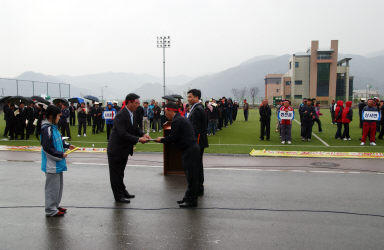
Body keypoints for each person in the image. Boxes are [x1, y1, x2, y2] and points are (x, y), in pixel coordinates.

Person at [155, 102, 201, 208]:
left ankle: (192, 201)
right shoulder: (180, 119)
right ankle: (187, 198)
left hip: (190, 150)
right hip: (190, 149)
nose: (165, 114)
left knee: (191, 178)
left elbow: (173, 138)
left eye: (166, 112)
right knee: (190, 177)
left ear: (171, 111)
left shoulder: (177, 121)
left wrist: (161, 140)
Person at [107, 93, 150, 203]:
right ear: (129, 102)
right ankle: (118, 196)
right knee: (115, 174)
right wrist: (138, 139)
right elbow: (122, 134)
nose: (138, 105)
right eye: (136, 103)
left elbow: (135, 128)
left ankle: (123, 191)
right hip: (116, 149)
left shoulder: (133, 113)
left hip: (124, 149)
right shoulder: (121, 115)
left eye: (138, 103)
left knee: (121, 172)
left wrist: (143, 134)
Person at [40, 105, 75, 217]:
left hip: (58, 163)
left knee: (58, 187)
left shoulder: (54, 128)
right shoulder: (46, 129)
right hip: (51, 165)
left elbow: (59, 141)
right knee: (52, 188)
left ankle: (55, 205)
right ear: (51, 116)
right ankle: (50, 209)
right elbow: (47, 148)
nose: (59, 118)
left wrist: (68, 146)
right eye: (58, 116)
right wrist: (60, 154)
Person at [187, 89, 208, 196]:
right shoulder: (196, 108)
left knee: (196, 166)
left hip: (197, 142)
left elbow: (196, 129)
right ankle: (199, 187)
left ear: (196, 97)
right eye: (188, 97)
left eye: (190, 97)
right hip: (198, 141)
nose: (188, 99)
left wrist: (192, 143)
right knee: (197, 165)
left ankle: (198, 187)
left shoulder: (198, 109)